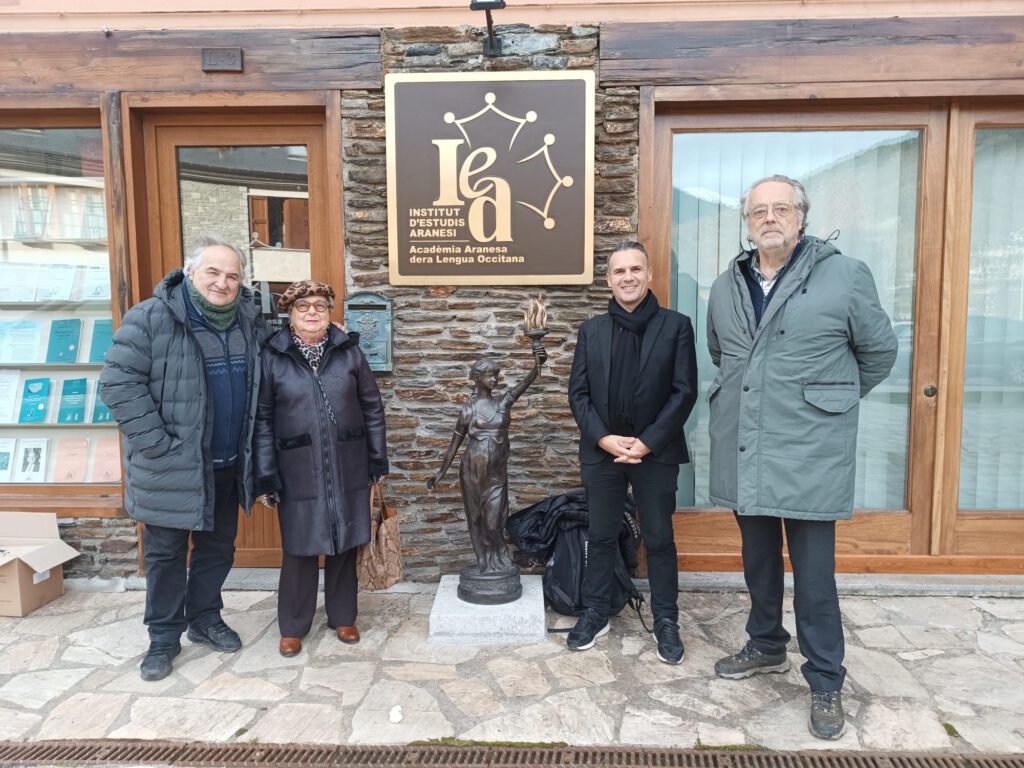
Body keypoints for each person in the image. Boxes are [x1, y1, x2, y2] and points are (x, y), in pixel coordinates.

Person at [706, 175, 897, 740]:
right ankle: (766, 645)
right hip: (745, 445)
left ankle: (826, 679)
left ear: (801, 217)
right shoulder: (725, 284)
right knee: (758, 561)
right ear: (747, 222)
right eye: (759, 211)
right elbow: (723, 355)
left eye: (781, 208)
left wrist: (830, 402)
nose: (770, 218)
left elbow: (879, 352)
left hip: (812, 451)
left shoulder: (844, 274)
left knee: (814, 576)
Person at [99, 233, 265, 681]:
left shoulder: (250, 320)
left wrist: (333, 336)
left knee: (216, 549)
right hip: (170, 465)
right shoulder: (152, 317)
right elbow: (117, 384)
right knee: (166, 554)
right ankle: (163, 639)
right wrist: (157, 443)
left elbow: (283, 354)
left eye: (232, 275)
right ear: (190, 272)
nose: (222, 282)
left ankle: (205, 619)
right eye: (213, 272)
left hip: (228, 462)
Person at [567, 240, 698, 663]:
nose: (628, 277)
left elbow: (684, 393)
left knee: (659, 540)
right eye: (619, 271)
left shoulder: (676, 326)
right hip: (602, 452)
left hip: (654, 453)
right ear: (608, 280)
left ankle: (666, 621)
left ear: (649, 275)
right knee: (602, 536)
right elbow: (578, 395)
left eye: (635, 269)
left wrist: (647, 441)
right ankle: (595, 611)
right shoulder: (591, 331)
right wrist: (604, 439)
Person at [253, 280, 388, 658]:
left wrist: (377, 457)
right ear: (290, 315)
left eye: (319, 306)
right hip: (296, 466)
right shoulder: (273, 356)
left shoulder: (349, 352)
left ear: (330, 314)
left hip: (348, 460)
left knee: (345, 541)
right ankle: (293, 625)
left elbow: (372, 407)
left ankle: (343, 616)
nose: (312, 312)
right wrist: (266, 472)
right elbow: (263, 418)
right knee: (299, 546)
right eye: (303, 307)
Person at [427, 347, 546, 574]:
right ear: (476, 379)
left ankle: (499, 554)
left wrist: (536, 365)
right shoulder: (468, 410)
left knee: (493, 522)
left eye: (496, 375)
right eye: (490, 376)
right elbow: (455, 443)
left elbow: (523, 386)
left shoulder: (503, 403)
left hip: (495, 475)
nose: (495, 380)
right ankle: (483, 560)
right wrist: (440, 473)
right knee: (475, 517)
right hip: (471, 471)